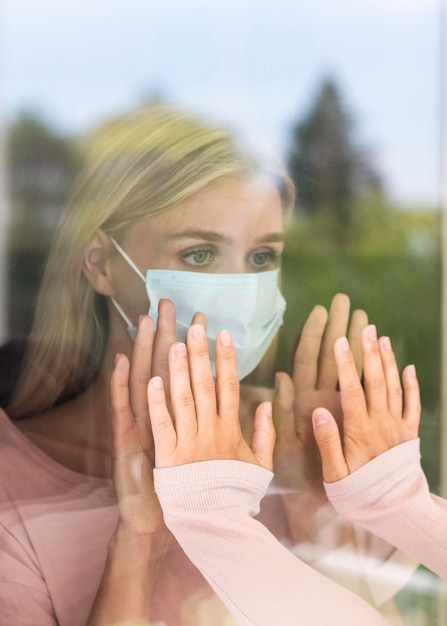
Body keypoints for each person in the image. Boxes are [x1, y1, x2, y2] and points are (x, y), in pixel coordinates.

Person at [0, 103, 411, 625]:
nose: (241, 291)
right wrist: (140, 542)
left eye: (262, 258)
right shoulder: (11, 484)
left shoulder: (310, 454)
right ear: (102, 265)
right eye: (199, 254)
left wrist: (318, 521)